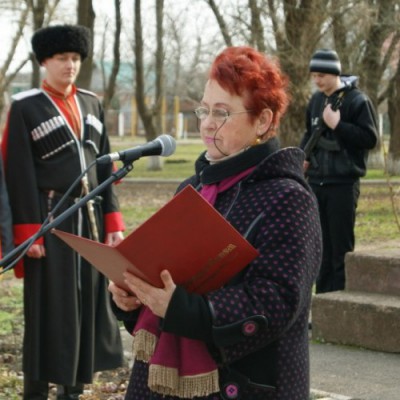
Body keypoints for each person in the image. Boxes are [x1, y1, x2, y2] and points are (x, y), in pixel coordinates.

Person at [109, 46, 322, 400]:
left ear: (264, 121)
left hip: (246, 384)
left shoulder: (288, 197)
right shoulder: (193, 189)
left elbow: (277, 300)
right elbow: (167, 281)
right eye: (204, 110)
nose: (207, 123)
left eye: (222, 113)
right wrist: (133, 297)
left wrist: (183, 309)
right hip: (165, 386)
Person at [1, 25, 125, 399]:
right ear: (44, 62)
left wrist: (113, 223)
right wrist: (27, 233)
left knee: (87, 303)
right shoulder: (25, 106)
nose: (70, 65)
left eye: (75, 58)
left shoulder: (92, 102)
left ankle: (73, 390)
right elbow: (17, 173)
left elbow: (106, 167)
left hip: (90, 219)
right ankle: (36, 391)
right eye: (61, 59)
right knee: (48, 310)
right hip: (49, 222)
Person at [300, 49, 378, 294]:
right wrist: (303, 157)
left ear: (335, 73)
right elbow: (308, 134)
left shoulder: (357, 101)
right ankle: (323, 300)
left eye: (322, 75)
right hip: (316, 182)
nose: (317, 80)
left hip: (343, 184)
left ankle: (341, 302)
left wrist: (338, 125)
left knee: (340, 249)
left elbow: (369, 138)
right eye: (314, 75)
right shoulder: (315, 101)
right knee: (320, 247)